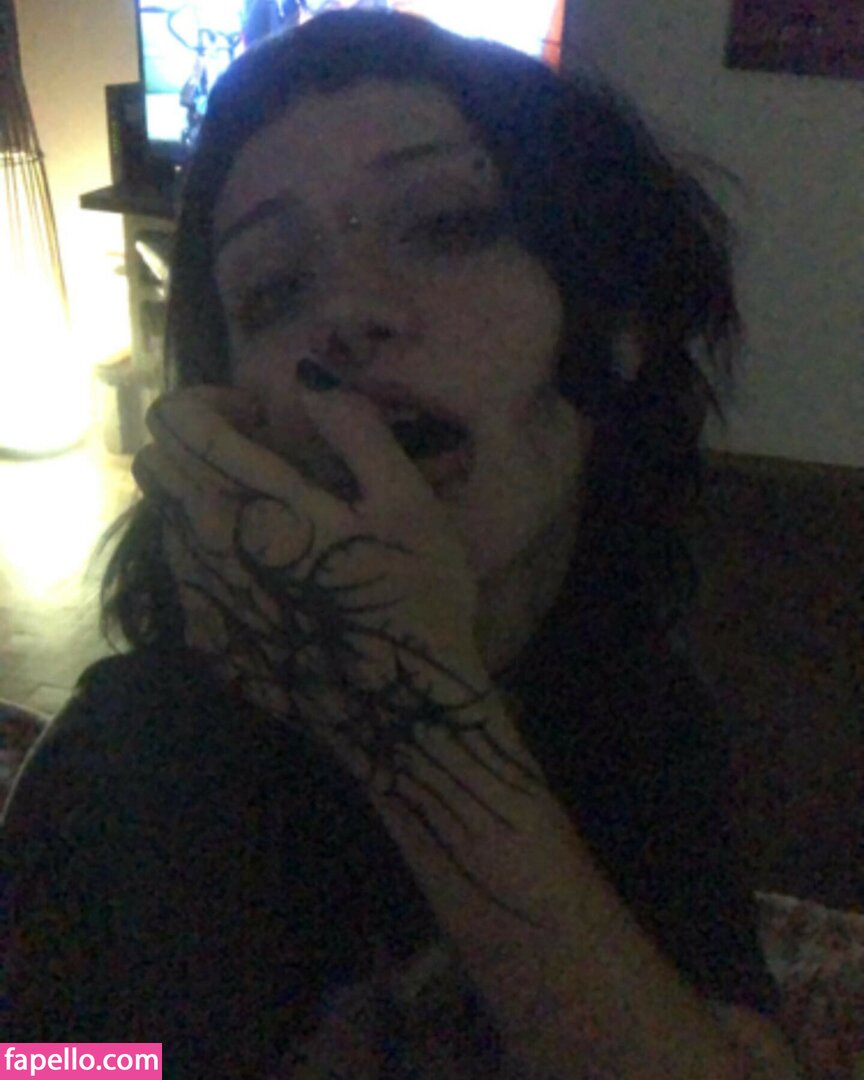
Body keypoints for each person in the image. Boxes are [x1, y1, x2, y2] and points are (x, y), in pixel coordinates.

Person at [1, 10, 801, 1077]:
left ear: (615, 323)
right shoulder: (131, 760)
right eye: (273, 289)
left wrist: (411, 719)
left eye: (445, 225)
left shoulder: (643, 713)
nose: (348, 313)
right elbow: (51, 1064)